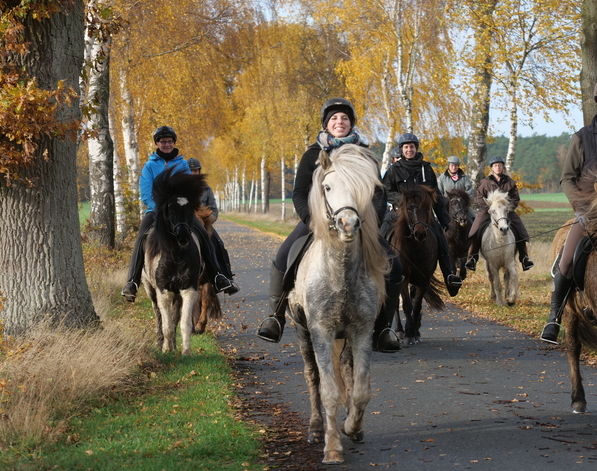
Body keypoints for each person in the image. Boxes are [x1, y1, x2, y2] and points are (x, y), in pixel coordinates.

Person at [256, 98, 402, 352]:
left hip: (358, 224)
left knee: (394, 264)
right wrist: (311, 219)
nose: (339, 122)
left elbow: (379, 194)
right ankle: (275, 317)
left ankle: (384, 327)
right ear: (326, 123)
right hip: (318, 221)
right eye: (334, 118)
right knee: (284, 256)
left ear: (351, 123)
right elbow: (299, 193)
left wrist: (370, 222)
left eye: (344, 118)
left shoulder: (365, 155)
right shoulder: (313, 154)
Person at [540, 75, 597, 344]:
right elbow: (567, 177)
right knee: (568, 259)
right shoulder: (582, 138)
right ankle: (554, 317)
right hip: (591, 212)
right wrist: (581, 206)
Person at [121, 126, 239, 302]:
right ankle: (132, 281)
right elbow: (146, 193)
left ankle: (218, 276)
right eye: (163, 141)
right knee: (141, 237)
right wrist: (162, 209)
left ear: (174, 143)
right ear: (157, 143)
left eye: (169, 141)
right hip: (156, 212)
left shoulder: (182, 164)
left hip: (181, 211)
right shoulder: (149, 166)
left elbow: (188, 189)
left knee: (204, 234)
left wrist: (184, 205)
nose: (167, 144)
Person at [381, 133, 463, 297]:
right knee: (381, 233)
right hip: (400, 212)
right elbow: (386, 191)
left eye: (412, 147)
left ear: (416, 149)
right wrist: (402, 200)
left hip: (423, 215)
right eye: (406, 147)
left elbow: (436, 194)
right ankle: (376, 271)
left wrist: (445, 219)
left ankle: (450, 276)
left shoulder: (426, 169)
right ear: (402, 150)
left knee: (440, 237)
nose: (409, 150)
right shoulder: (394, 170)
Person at [464, 156, 534, 273]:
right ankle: (472, 258)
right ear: (492, 168)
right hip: (489, 211)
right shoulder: (485, 182)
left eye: (500, 165)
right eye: (495, 165)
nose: (498, 167)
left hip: (506, 212)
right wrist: (487, 208)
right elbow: (479, 197)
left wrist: (509, 209)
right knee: (475, 230)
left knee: (520, 230)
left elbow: (516, 198)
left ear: (503, 167)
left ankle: (524, 258)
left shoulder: (510, 182)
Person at [187, 157, 236, 284]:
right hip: (185, 224)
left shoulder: (206, 189)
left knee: (218, 243)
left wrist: (207, 219)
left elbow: (214, 210)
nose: (193, 173)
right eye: (190, 170)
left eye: (195, 170)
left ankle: (224, 276)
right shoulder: (179, 189)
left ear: (199, 172)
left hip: (203, 225)